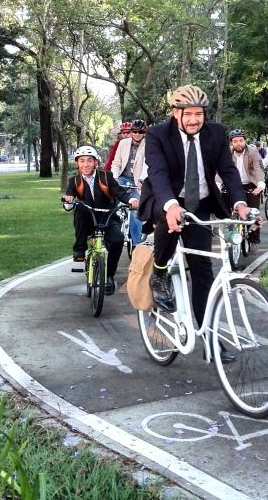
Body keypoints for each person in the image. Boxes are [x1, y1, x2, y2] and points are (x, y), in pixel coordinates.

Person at [139, 85, 248, 345]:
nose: (193, 120)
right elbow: (158, 173)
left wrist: (240, 203)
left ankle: (210, 338)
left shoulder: (217, 134)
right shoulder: (157, 134)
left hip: (198, 202)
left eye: (198, 114)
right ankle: (159, 271)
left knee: (203, 271)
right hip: (164, 197)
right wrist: (171, 206)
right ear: (175, 113)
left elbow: (228, 171)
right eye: (187, 114)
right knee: (170, 223)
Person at [63, 145, 138, 295]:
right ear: (77, 163)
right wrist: (69, 200)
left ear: (96, 162)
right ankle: (79, 249)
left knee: (117, 240)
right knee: (80, 209)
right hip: (87, 220)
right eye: (82, 161)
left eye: (89, 161)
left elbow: (119, 192)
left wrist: (131, 200)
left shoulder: (106, 176)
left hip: (108, 217)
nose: (86, 164)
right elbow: (68, 204)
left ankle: (109, 275)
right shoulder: (74, 181)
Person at [111, 118, 148, 246]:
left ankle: (136, 245)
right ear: (131, 132)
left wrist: (142, 180)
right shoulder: (123, 143)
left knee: (135, 210)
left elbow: (147, 165)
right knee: (113, 206)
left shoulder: (148, 144)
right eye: (135, 131)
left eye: (140, 131)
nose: (137, 134)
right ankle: (111, 236)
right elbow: (116, 163)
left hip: (138, 180)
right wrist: (114, 177)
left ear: (144, 132)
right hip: (122, 177)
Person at [227, 128, 265, 251]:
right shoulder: (227, 153)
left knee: (253, 215)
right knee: (230, 213)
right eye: (235, 141)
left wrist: (260, 185)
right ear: (231, 143)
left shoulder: (253, 152)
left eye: (241, 140)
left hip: (251, 186)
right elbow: (220, 171)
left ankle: (254, 239)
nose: (239, 143)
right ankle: (233, 235)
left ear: (245, 141)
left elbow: (258, 169)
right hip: (234, 186)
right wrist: (217, 184)